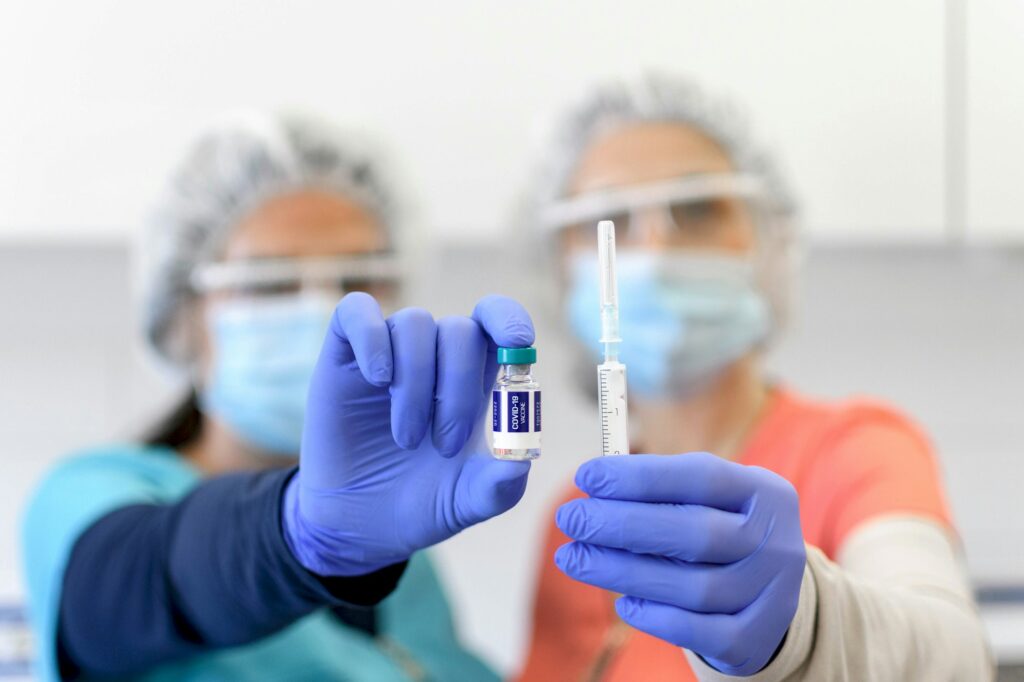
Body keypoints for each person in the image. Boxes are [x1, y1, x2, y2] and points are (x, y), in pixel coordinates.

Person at [21, 113, 536, 681]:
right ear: (184, 316)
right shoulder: (89, 495)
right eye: (268, 283)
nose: (322, 309)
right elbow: (150, 577)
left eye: (357, 277)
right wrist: (297, 532)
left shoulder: (403, 560)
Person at [517, 74, 992, 681]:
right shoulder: (579, 513)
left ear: (767, 240)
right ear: (560, 269)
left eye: (696, 209)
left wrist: (797, 629)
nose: (657, 248)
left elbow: (951, 656)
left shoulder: (854, 450)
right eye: (610, 218)